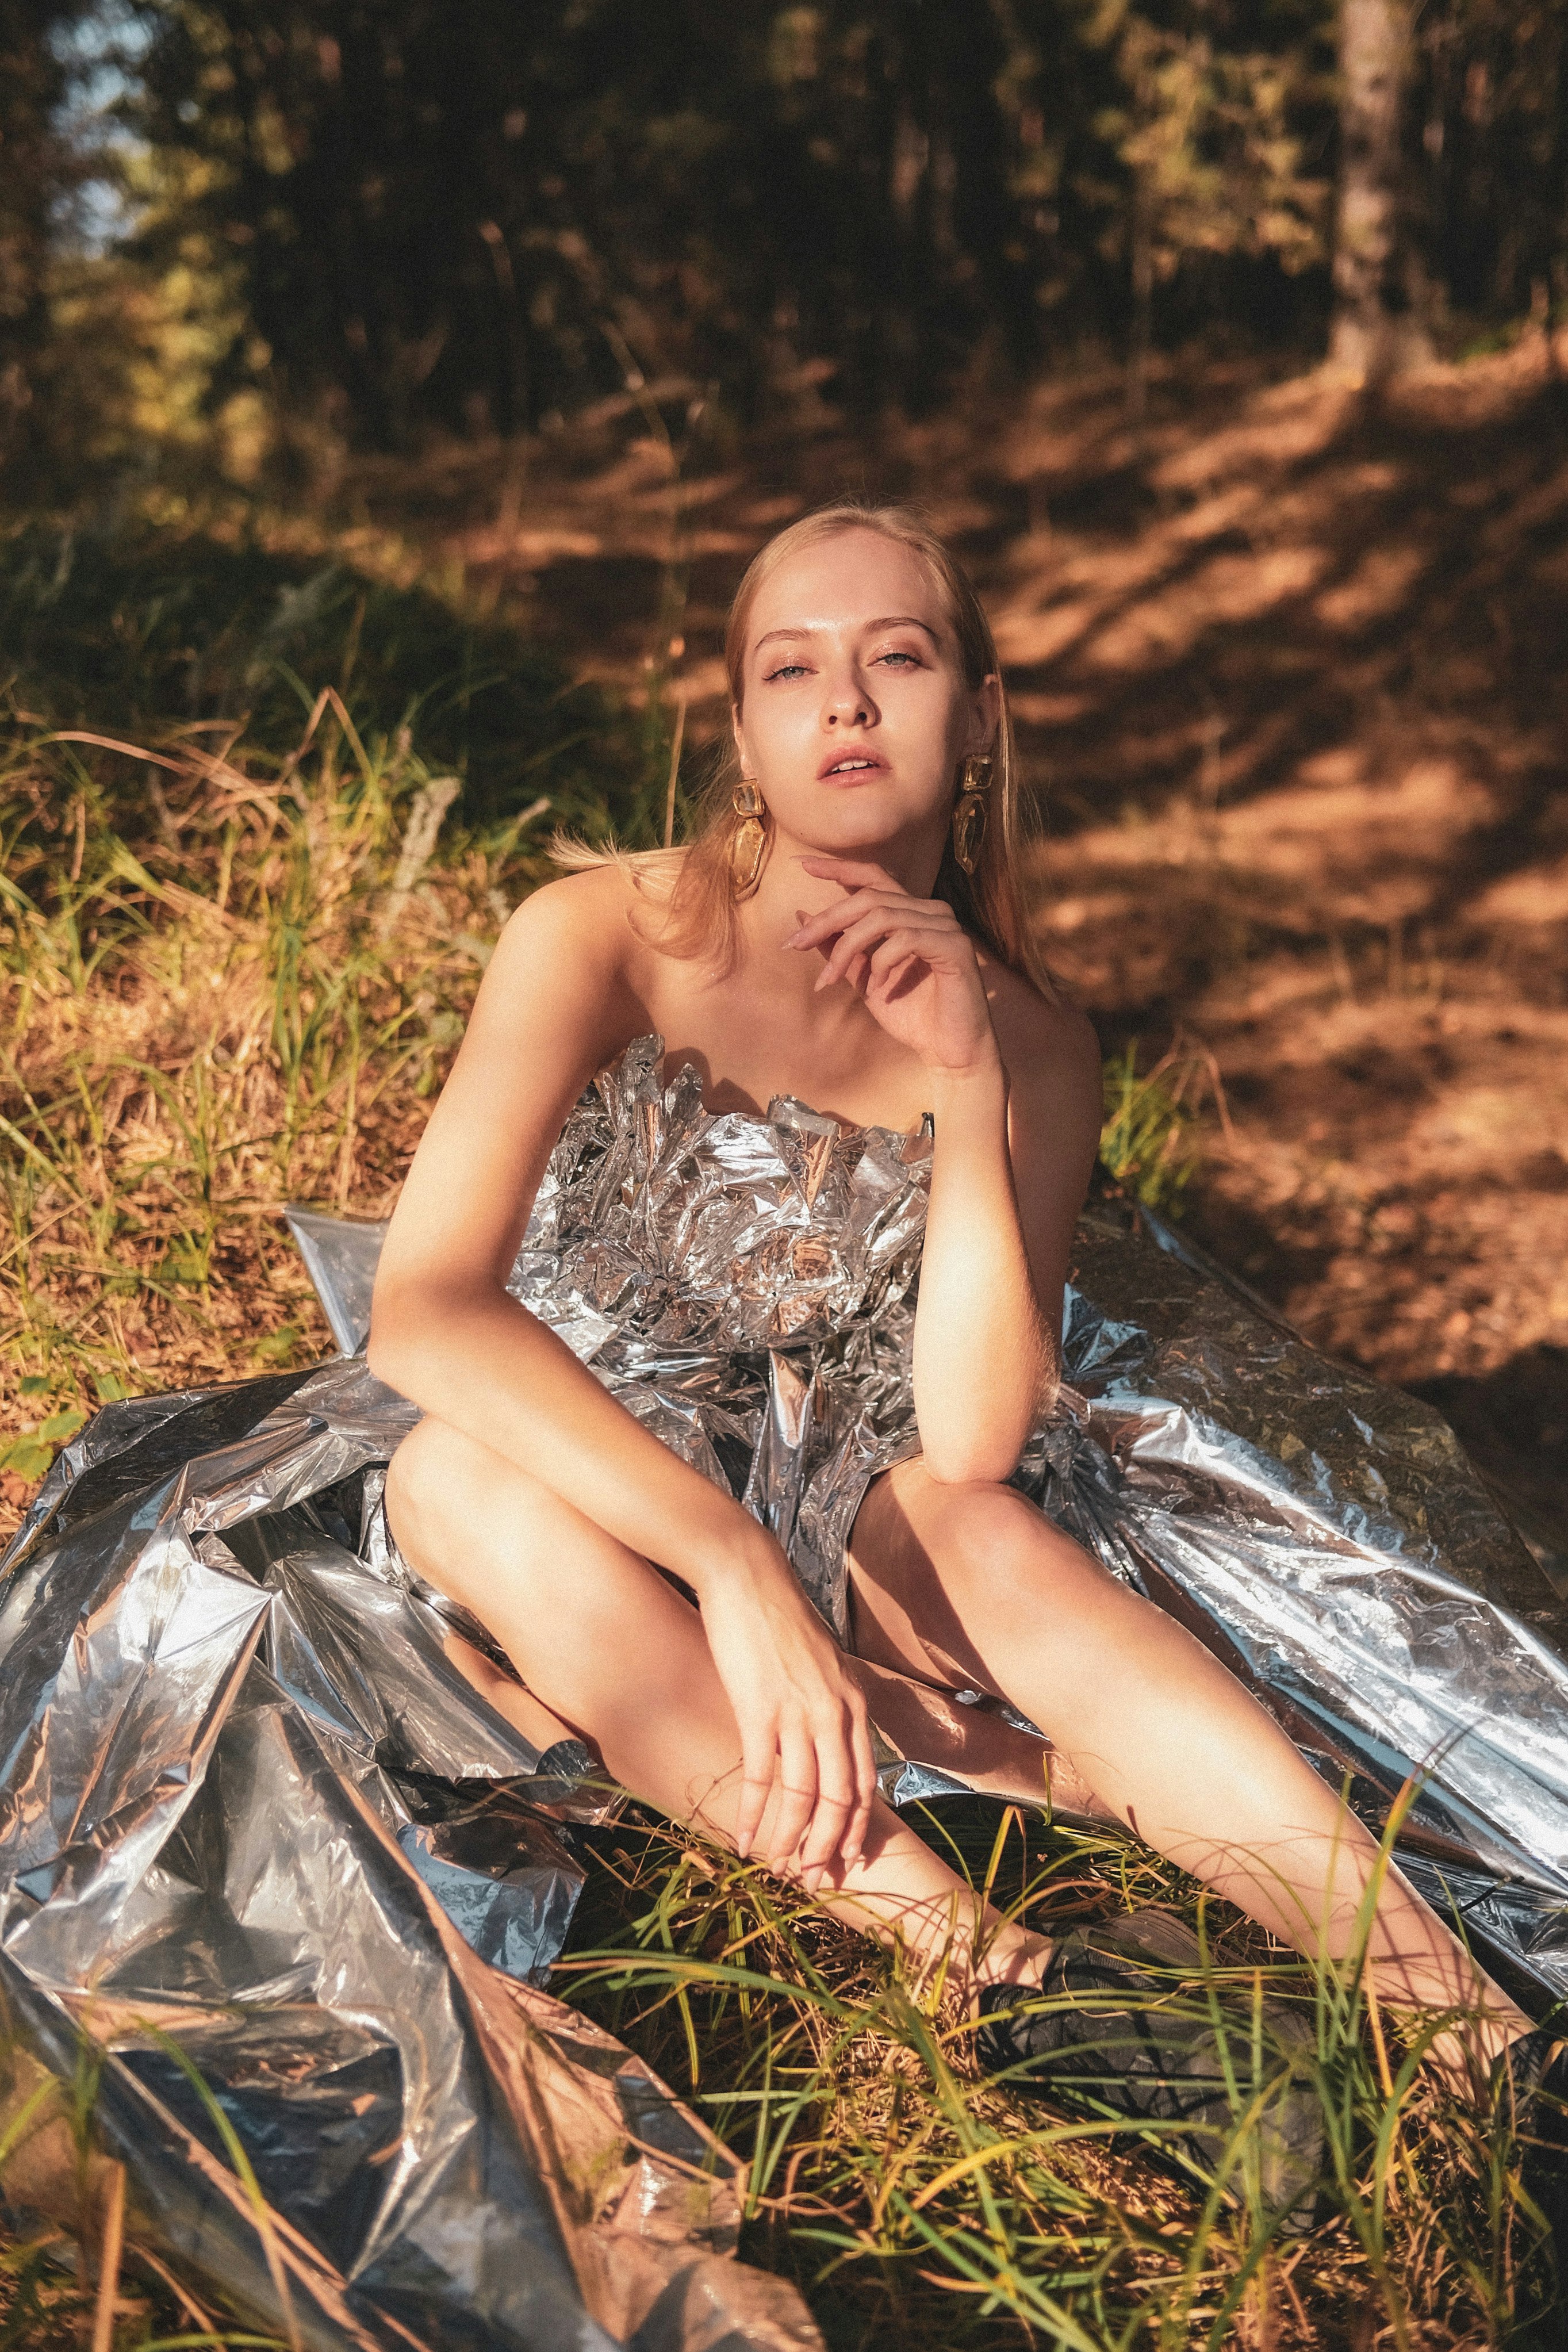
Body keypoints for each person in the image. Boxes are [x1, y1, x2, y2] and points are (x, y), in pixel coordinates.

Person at [369, 500, 1535, 2117]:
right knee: (449, 1476)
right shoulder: (599, 936)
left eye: (895, 658)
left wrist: (966, 1066)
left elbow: (977, 1427)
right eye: (794, 669)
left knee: (973, 1519)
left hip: (860, 1486)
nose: (844, 703)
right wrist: (725, 1567)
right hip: (585, 1465)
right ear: (745, 735)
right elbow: (422, 1310)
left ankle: (1475, 2035)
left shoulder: (1037, 1037)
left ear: (979, 719)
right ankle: (1004, 1978)